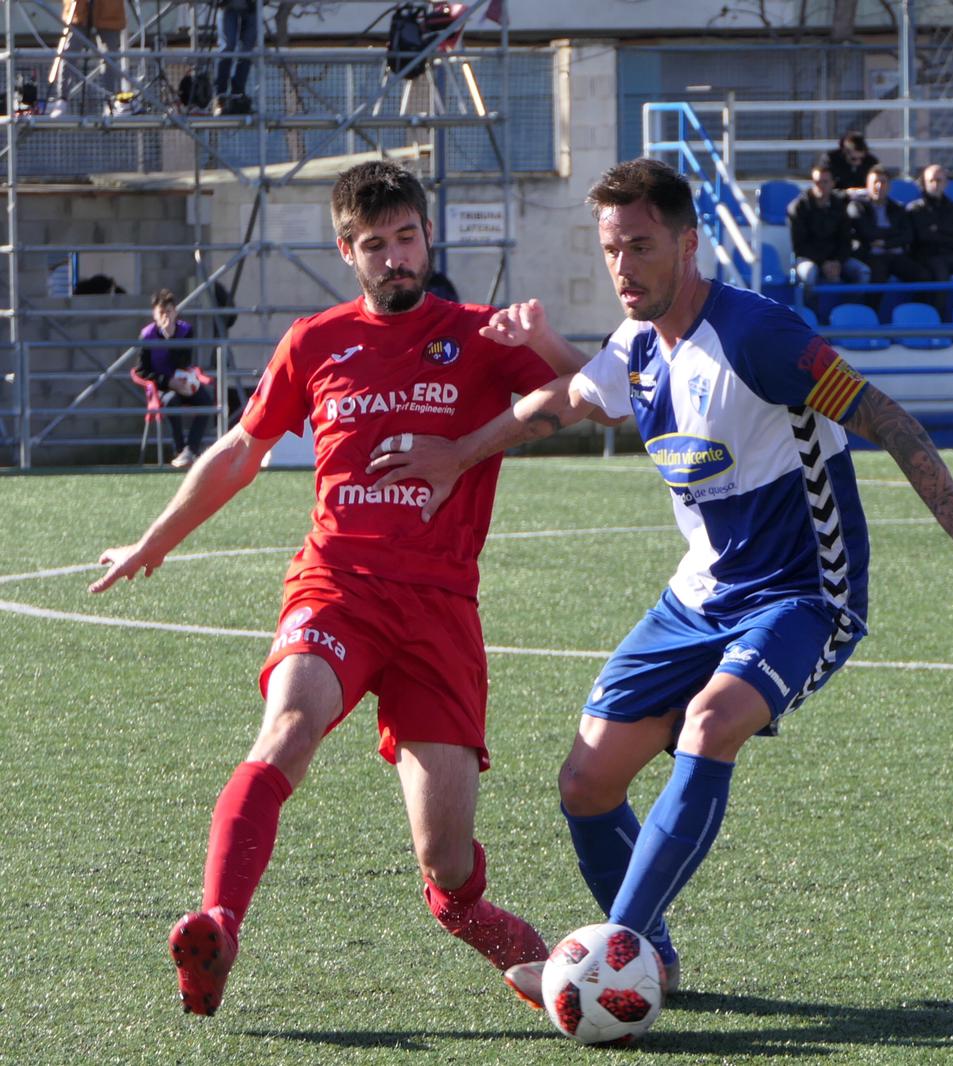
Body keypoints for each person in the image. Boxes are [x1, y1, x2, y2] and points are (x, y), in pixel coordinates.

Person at [365, 158, 953, 1004]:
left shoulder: (761, 336)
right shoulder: (636, 350)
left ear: (689, 244)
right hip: (702, 594)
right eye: (611, 249)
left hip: (804, 593)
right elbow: (564, 403)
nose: (623, 267)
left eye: (641, 246)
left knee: (710, 721)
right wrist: (456, 453)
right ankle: (650, 955)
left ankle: (609, 950)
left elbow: (883, 415)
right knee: (586, 784)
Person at [90, 161, 593, 1017]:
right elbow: (242, 451)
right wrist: (153, 540)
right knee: (287, 725)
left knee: (445, 858)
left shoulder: (481, 335)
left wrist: (540, 340)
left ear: (428, 237)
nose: (396, 258)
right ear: (346, 252)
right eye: (375, 246)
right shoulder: (317, 340)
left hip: (438, 611)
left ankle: (485, 924)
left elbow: (592, 394)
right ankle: (218, 922)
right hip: (336, 587)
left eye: (407, 239)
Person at [136, 288, 216, 469]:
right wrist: (166, 381)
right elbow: (141, 370)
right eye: (161, 312)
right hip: (161, 386)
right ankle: (179, 450)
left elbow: (185, 361)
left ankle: (191, 450)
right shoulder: (147, 335)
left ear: (175, 312)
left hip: (183, 380)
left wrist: (170, 339)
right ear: (154, 314)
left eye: (169, 311)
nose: (166, 316)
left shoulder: (185, 331)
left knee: (206, 400)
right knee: (171, 401)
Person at [788, 159, 870, 301]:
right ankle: (808, 315)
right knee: (808, 274)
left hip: (836, 259)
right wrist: (823, 263)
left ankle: (849, 309)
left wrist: (837, 261)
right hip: (808, 258)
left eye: (825, 182)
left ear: (833, 183)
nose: (820, 186)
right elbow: (799, 246)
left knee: (863, 272)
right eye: (816, 182)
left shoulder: (840, 206)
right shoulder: (798, 207)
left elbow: (845, 240)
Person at [847, 165, 931, 287]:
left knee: (924, 276)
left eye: (883, 182)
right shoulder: (857, 206)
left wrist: (885, 243)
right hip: (871, 255)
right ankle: (872, 307)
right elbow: (867, 232)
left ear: (889, 186)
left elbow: (907, 236)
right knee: (877, 279)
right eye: (875, 182)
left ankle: (917, 306)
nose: (879, 186)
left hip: (895, 255)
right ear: (867, 185)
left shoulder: (898, 208)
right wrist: (894, 233)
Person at [212, 0, 257, 115]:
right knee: (228, 46)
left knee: (246, 50)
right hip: (228, 6)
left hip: (250, 6)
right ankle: (220, 97)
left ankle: (238, 95)